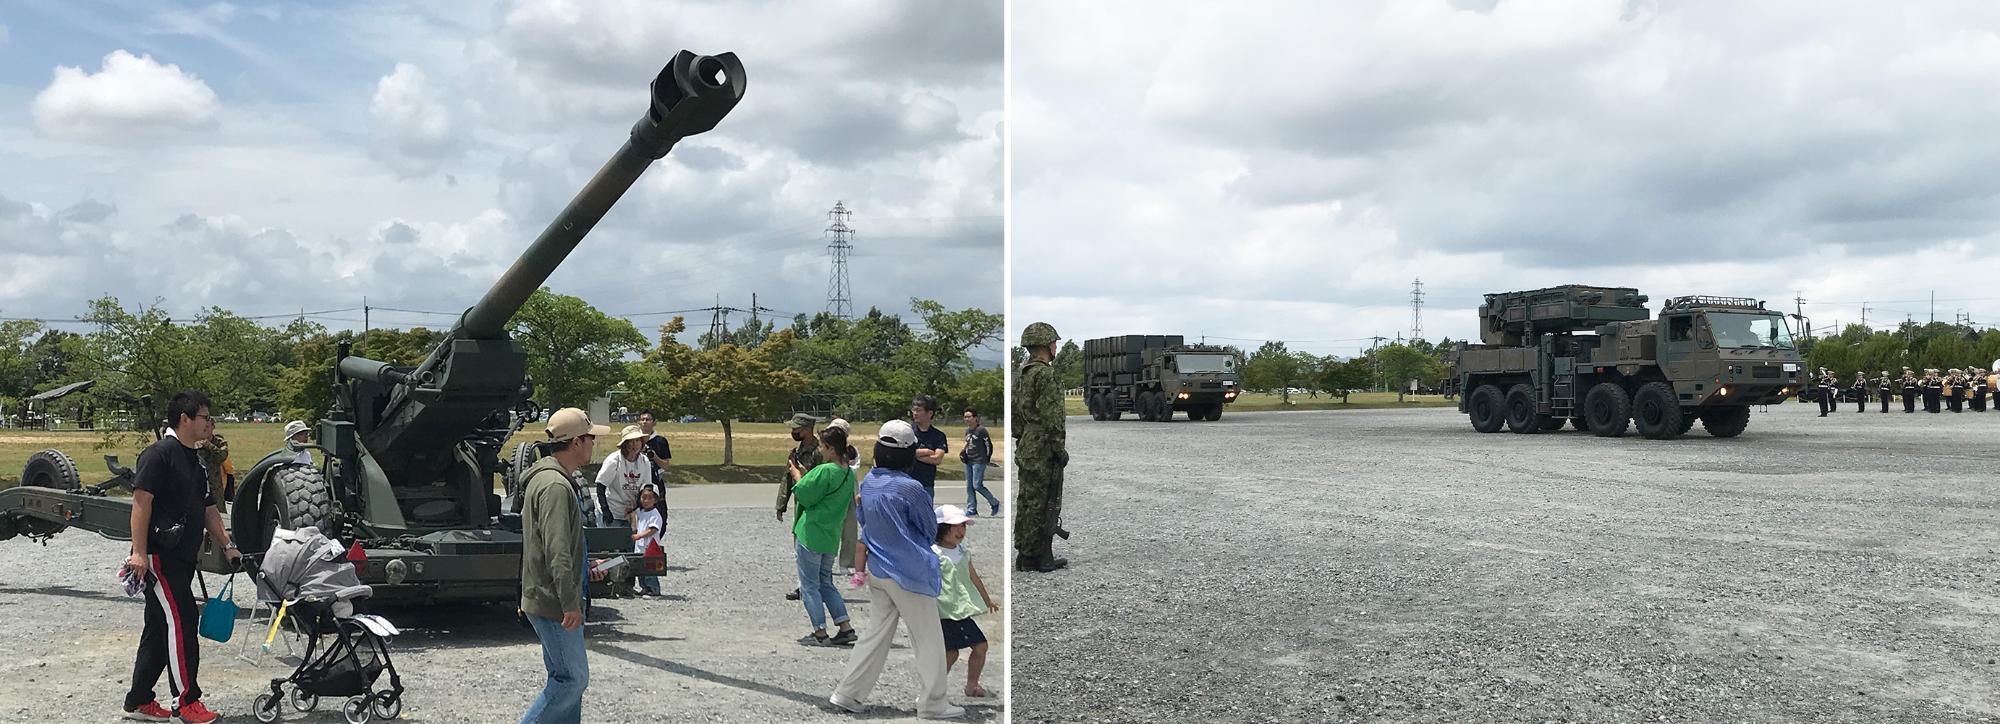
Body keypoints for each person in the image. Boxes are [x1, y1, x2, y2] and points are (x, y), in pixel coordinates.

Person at [828, 421, 963, 720]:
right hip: (910, 572)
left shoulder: (870, 480)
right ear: (909, 453)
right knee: (928, 639)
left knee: (874, 636)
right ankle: (933, 704)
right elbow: (929, 530)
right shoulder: (911, 488)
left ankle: (848, 694)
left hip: (879, 571)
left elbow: (863, 515)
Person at [122, 390, 240, 724]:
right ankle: (187, 702)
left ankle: (139, 700)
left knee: (159, 630)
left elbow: (208, 509)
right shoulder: (159, 455)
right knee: (183, 623)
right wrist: (139, 553)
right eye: (205, 417)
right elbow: (141, 503)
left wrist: (227, 545)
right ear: (185, 419)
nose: (210, 424)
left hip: (183, 559)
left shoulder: (196, 459)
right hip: (160, 558)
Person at [518, 407, 611, 723]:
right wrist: (570, 604)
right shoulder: (556, 486)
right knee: (572, 680)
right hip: (554, 602)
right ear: (575, 442)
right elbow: (556, 551)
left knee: (564, 679)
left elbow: (560, 545)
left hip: (549, 598)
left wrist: (586, 564)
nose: (593, 443)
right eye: (591, 437)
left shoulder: (548, 478)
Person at [791, 426, 859, 647]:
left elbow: (804, 493)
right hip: (830, 535)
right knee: (826, 582)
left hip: (811, 533)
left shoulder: (825, 470)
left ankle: (819, 632)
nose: (820, 449)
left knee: (809, 585)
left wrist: (797, 475)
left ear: (829, 448)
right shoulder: (849, 473)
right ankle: (845, 626)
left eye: (822, 445)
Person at [1013, 322, 1070, 573]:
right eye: (1054, 343)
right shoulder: (1046, 374)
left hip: (1027, 441)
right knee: (1044, 501)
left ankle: (1025, 554)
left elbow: (1015, 412)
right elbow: (1053, 415)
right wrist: (1059, 447)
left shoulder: (1022, 373)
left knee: (1027, 499)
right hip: (1043, 443)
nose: (1055, 346)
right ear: (1046, 345)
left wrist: (1021, 439)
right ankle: (1041, 557)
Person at [933, 505, 997, 699]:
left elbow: (973, 576)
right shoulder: (933, 553)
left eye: (964, 527)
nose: (961, 532)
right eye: (956, 527)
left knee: (980, 647)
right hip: (944, 611)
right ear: (941, 528)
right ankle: (932, 690)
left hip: (960, 610)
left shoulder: (961, 551)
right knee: (951, 653)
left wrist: (987, 600)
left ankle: (971, 685)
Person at [778, 413, 824, 601]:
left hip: (817, 505)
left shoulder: (819, 452)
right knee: (799, 545)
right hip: (801, 505)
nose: (793, 432)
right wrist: (781, 504)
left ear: (807, 430)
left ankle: (813, 585)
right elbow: (787, 478)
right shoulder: (796, 452)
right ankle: (803, 584)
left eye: (796, 429)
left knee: (813, 546)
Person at [596, 425, 651, 533]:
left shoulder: (644, 461)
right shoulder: (614, 460)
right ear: (624, 444)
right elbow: (600, 486)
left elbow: (647, 487)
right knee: (612, 546)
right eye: (630, 441)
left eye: (637, 441)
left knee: (631, 545)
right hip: (613, 510)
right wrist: (606, 511)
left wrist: (639, 508)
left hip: (632, 512)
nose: (634, 445)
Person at [960, 409, 999, 517]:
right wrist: (963, 451)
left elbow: (988, 445)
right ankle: (972, 509)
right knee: (969, 486)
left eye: (969, 417)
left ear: (975, 418)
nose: (966, 419)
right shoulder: (968, 431)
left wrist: (987, 458)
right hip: (969, 460)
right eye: (965, 417)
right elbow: (967, 442)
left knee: (977, 485)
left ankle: (994, 502)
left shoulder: (981, 430)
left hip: (979, 461)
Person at [630, 485, 667, 598]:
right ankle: (644, 588)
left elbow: (653, 529)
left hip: (650, 546)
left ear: (655, 500)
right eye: (643, 497)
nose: (646, 501)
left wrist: (640, 535)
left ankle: (653, 589)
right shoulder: (641, 511)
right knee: (641, 569)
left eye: (650, 498)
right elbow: (633, 515)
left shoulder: (655, 514)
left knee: (650, 569)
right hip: (640, 547)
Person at [909, 395, 949, 499]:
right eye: (914, 410)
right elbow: (901, 453)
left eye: (918, 410)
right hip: (907, 483)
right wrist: (927, 451)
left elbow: (937, 459)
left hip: (927, 485)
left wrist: (913, 454)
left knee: (926, 514)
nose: (915, 413)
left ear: (930, 413)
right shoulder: (907, 431)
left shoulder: (938, 435)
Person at [636, 410, 673, 488]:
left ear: (654, 422)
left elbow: (665, 466)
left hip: (655, 481)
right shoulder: (633, 439)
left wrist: (654, 457)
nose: (644, 422)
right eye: (642, 419)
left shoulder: (660, 441)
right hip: (636, 480)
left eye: (648, 419)